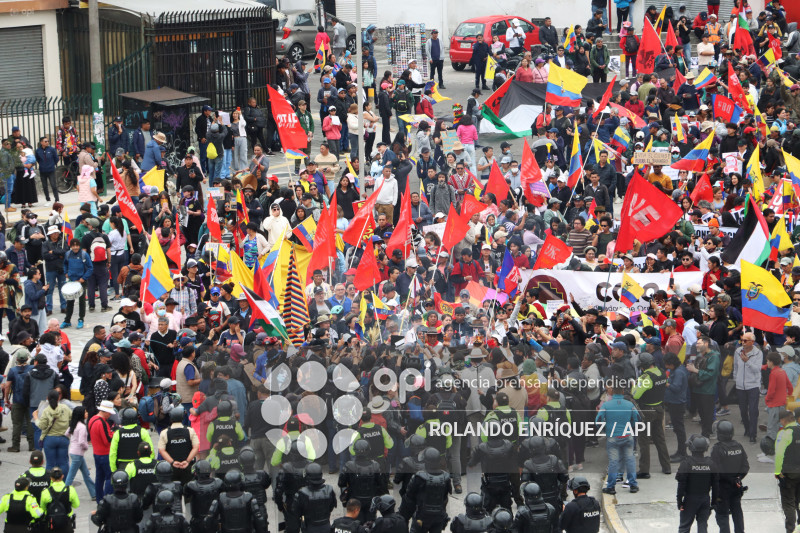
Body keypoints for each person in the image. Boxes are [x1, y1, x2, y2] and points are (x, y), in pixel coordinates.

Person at [632, 352, 672, 477]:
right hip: (659, 409)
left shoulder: (645, 377)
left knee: (643, 440)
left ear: (642, 365)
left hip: (647, 411)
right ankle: (667, 467)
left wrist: (635, 385)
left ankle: (644, 471)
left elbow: (635, 395)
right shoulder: (661, 372)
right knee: (660, 439)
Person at [596, 386, 641, 494]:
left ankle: (611, 487)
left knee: (613, 462)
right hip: (627, 435)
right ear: (623, 391)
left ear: (612, 392)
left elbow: (598, 420)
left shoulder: (606, 405)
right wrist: (630, 426)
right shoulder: (629, 404)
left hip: (612, 436)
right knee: (630, 460)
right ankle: (633, 485)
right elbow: (637, 418)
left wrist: (605, 429)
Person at [711, 420, 749, 533]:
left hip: (722, 488)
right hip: (737, 486)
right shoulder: (738, 446)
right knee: (737, 512)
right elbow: (745, 466)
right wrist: (738, 478)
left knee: (722, 515)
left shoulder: (717, 449)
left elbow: (716, 470)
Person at [403, 448, 452, 533]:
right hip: (438, 517)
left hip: (421, 517)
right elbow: (445, 498)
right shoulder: (446, 478)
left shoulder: (419, 477)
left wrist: (404, 516)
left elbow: (409, 499)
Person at [677, 435, 719, 533]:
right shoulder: (711, 464)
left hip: (689, 500)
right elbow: (716, 485)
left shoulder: (686, 464)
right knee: (702, 525)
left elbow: (681, 484)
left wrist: (679, 501)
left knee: (684, 527)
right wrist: (714, 503)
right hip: (705, 499)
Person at [292, 463, 336, 533]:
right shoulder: (329, 490)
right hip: (325, 526)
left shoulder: (302, 493)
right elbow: (331, 506)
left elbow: (296, 512)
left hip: (310, 527)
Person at [39, 466, 80, 533]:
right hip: (66, 524)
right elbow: (76, 505)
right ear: (62, 476)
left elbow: (43, 508)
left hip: (51, 524)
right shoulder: (70, 490)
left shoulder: (45, 492)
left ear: (51, 478)